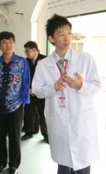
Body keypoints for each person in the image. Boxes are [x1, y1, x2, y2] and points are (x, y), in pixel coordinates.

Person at [32, 14, 101, 174]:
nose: (67, 38)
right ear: (51, 38)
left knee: (82, 165)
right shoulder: (43, 65)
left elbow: (97, 86)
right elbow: (37, 90)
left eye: (69, 33)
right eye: (61, 34)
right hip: (59, 123)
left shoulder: (86, 59)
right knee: (63, 165)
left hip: (81, 122)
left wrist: (81, 85)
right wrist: (53, 87)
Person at [0, 31, 30, 174]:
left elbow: (25, 83)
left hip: (16, 106)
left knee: (14, 137)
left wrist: (23, 102)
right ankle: (0, 163)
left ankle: (14, 165)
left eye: (11, 41)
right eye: (4, 42)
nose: (8, 45)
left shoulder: (22, 62)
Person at [21, 41, 48, 142]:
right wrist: (28, 89)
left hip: (42, 91)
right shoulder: (25, 61)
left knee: (43, 113)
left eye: (27, 51)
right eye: (25, 51)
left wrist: (41, 89)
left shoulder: (45, 59)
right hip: (30, 92)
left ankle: (46, 135)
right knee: (29, 113)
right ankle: (29, 132)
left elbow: (48, 76)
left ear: (34, 50)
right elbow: (23, 77)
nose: (26, 53)